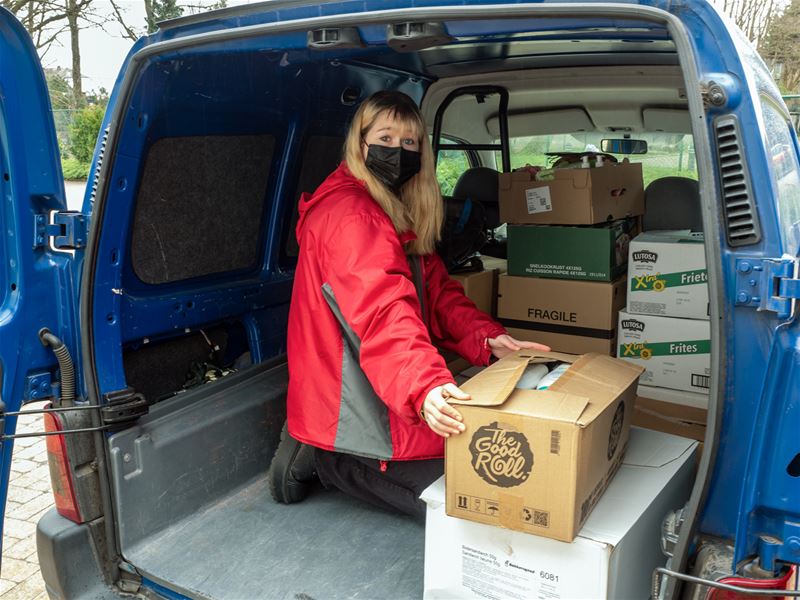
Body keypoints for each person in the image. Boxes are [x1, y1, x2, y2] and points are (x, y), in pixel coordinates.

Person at [268, 90, 548, 519]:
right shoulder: (353, 217)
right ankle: (323, 455)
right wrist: (426, 386)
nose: (397, 152)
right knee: (478, 502)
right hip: (357, 414)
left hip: (381, 386)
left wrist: (487, 338)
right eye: (385, 138)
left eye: (410, 143)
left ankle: (319, 439)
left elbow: (436, 292)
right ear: (360, 144)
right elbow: (384, 314)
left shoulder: (392, 208)